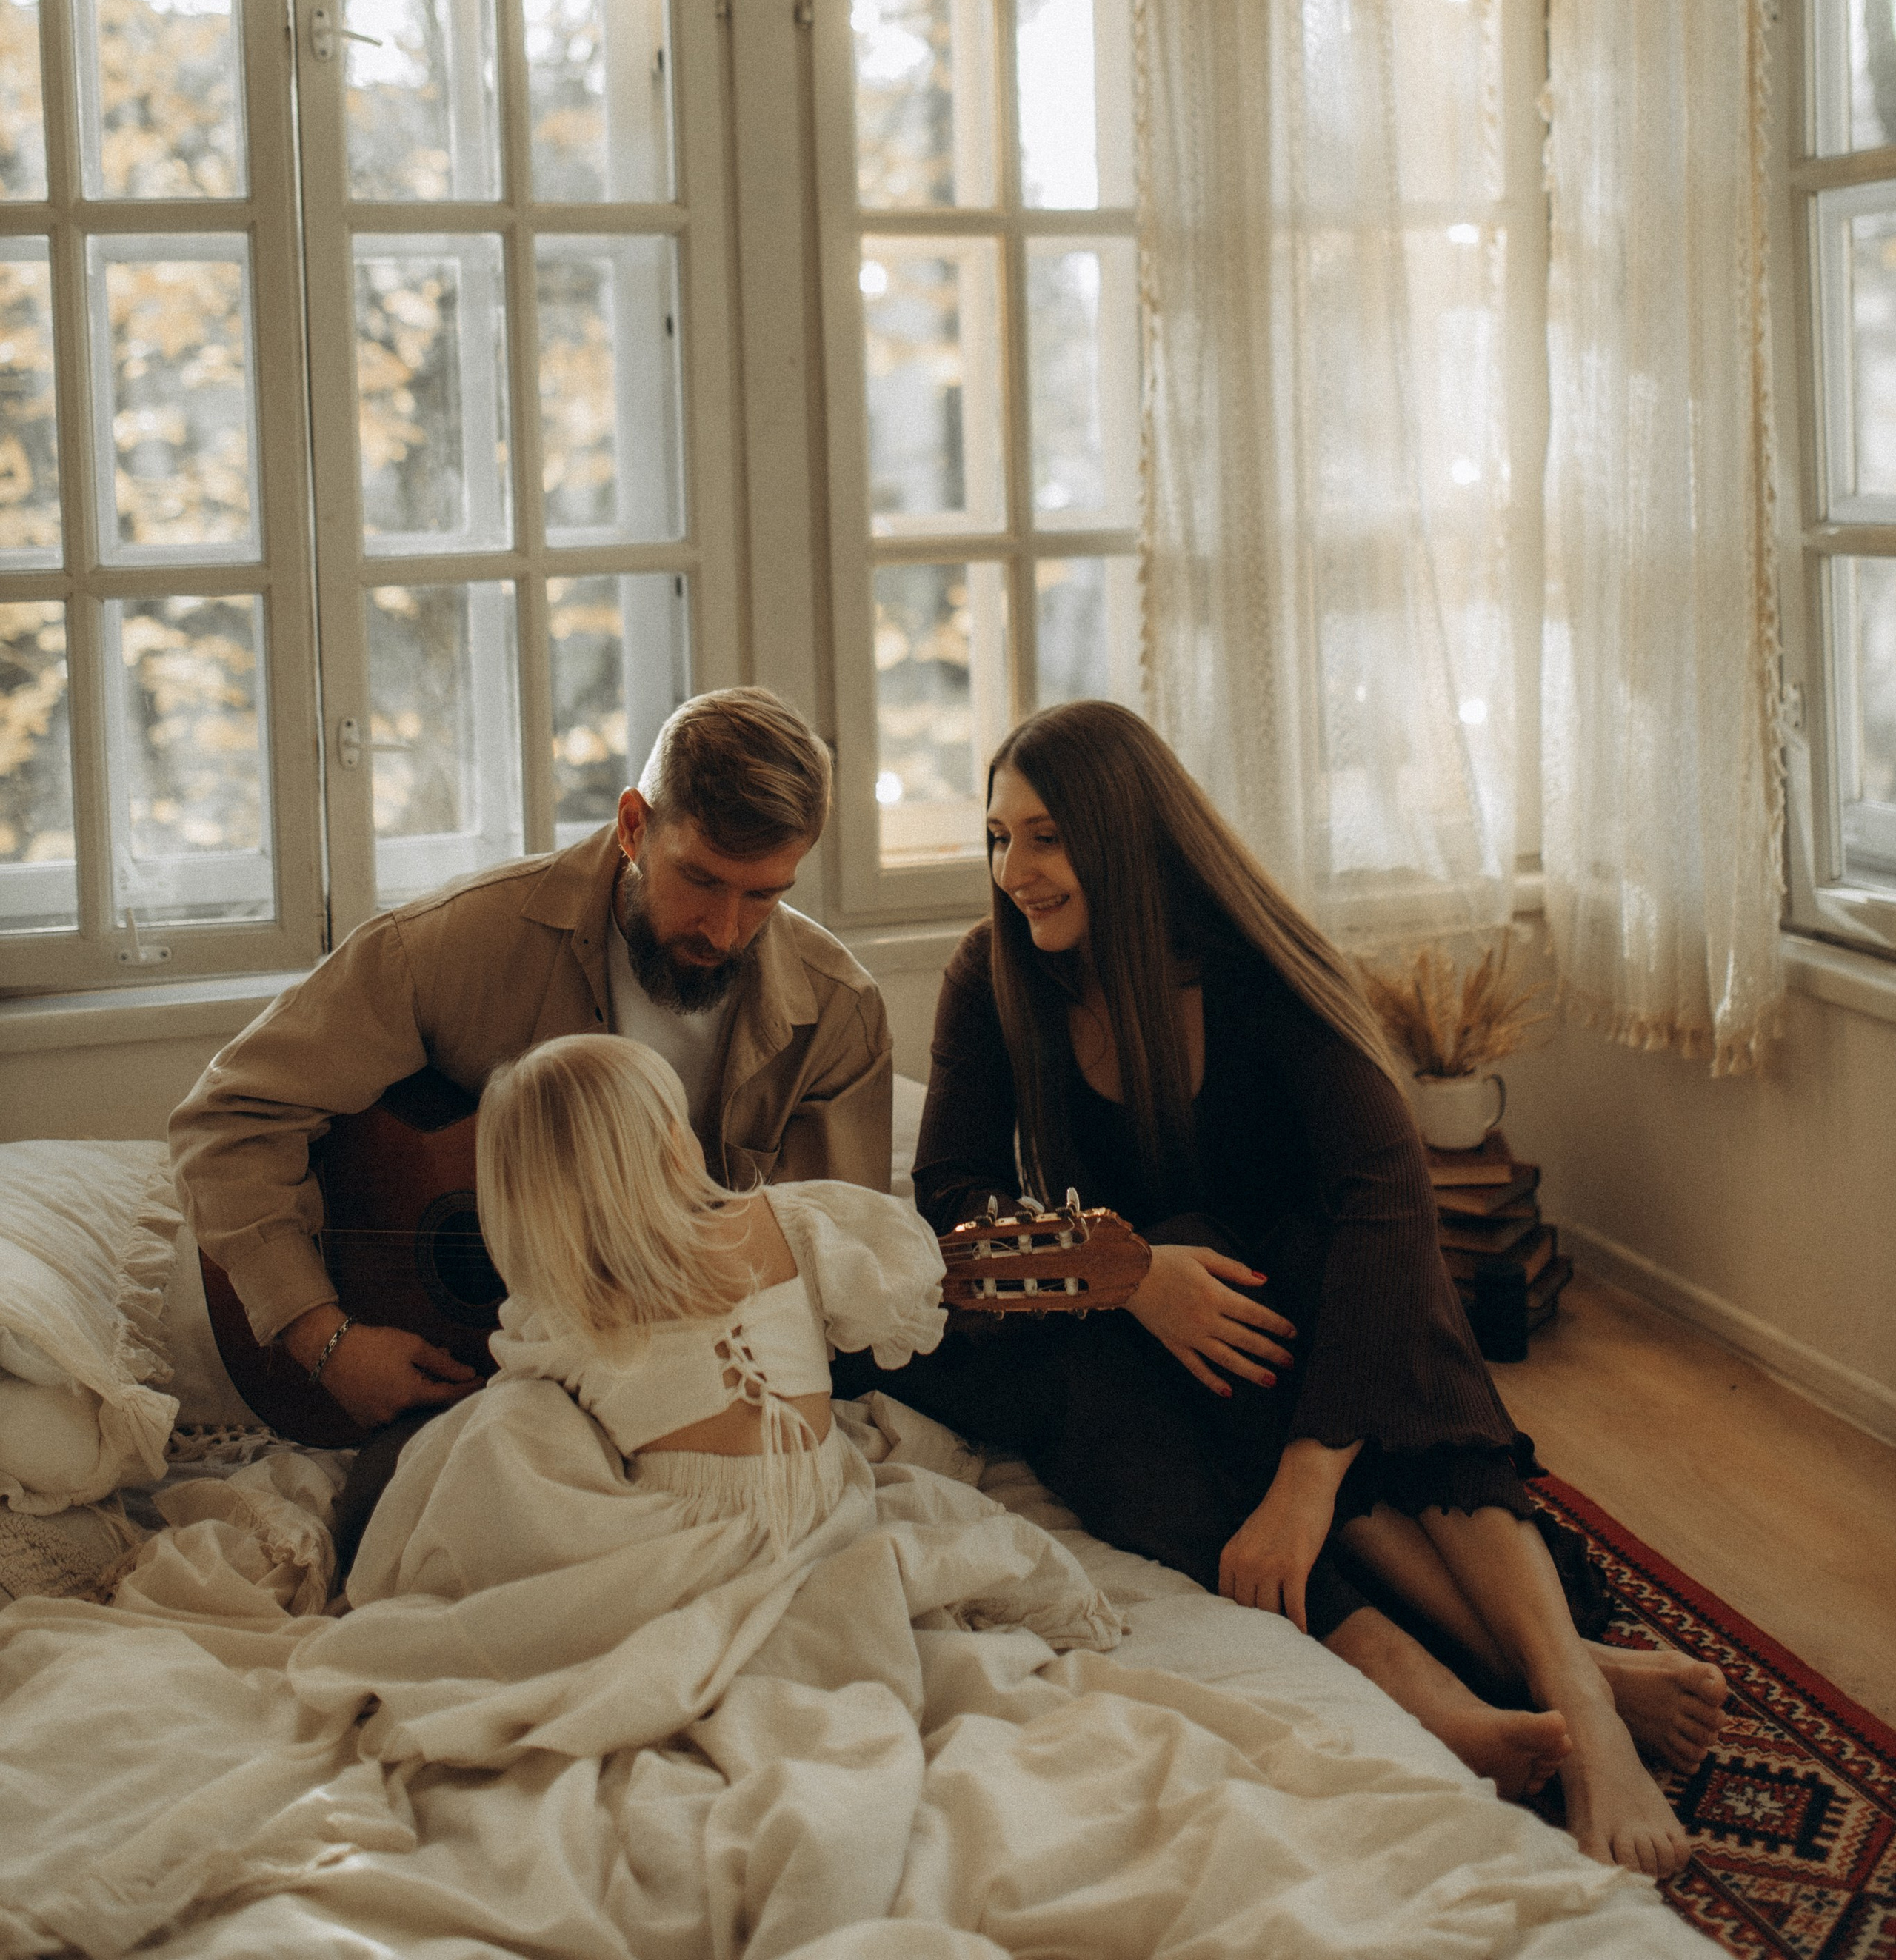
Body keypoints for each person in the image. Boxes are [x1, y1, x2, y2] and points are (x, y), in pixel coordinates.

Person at [881, 701, 1726, 1878]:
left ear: (1124, 838)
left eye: (1046, 838)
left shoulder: (1260, 972)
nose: (1014, 873)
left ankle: (1577, 1698)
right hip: (1153, 1325)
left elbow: (1388, 1199)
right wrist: (1129, 1274)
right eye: (997, 838)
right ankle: (1430, 1674)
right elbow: (951, 1204)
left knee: (1372, 1279)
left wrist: (1308, 1476)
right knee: (1107, 1364)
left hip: (1323, 1327)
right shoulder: (995, 974)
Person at [171, 687, 892, 1438]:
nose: (725, 930)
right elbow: (228, 1120)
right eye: (701, 879)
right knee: (413, 1522)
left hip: (687, 1385)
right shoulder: (455, 945)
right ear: (632, 826)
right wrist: (326, 1341)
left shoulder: (836, 1014)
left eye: (764, 896)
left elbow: (836, 1274)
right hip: (476, 1382)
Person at [346, 1032, 949, 1610]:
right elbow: (886, 1308)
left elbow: (528, 1389)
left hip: (689, 1549)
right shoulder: (793, 1222)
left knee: (502, 1423)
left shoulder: (568, 1312)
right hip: (824, 1505)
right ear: (673, 1144)